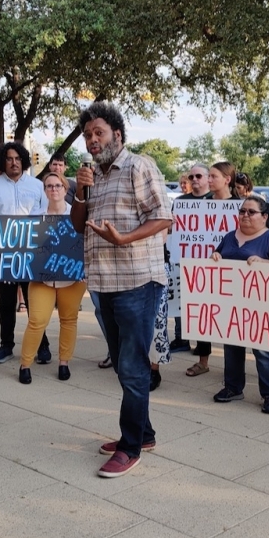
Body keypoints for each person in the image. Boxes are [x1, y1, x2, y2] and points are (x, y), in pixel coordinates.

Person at [72, 101, 172, 478]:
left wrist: (125, 237)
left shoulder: (138, 165)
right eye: (87, 136)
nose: (92, 141)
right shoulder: (91, 175)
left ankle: (130, 448)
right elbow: (78, 225)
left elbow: (163, 216)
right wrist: (80, 192)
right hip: (102, 283)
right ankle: (143, 433)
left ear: (117, 134)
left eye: (98, 133)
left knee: (131, 368)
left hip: (137, 282)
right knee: (121, 363)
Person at [210, 195, 269, 414]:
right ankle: (233, 387)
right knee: (232, 348)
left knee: (263, 352)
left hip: (259, 305)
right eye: (242, 211)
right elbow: (218, 255)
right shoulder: (229, 237)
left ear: (264, 216)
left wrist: (265, 263)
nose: (245, 215)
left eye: (251, 212)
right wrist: (216, 256)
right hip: (231, 303)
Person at [0, 141, 50, 364]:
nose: (14, 162)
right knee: (6, 303)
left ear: (24, 160)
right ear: (2, 161)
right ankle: (6, 346)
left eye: (18, 158)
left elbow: (48, 217)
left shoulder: (37, 186)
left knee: (35, 302)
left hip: (33, 253)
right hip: (4, 254)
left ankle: (42, 346)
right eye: (9, 158)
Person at [18, 171, 85, 384]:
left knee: (68, 320)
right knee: (37, 320)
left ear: (66, 189)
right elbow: (26, 248)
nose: (53, 189)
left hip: (72, 277)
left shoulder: (78, 215)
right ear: (44, 190)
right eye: (49, 186)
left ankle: (64, 362)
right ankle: (25, 364)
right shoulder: (35, 216)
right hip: (42, 279)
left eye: (58, 185)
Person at [184, 161, 239, 378]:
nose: (208, 180)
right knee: (204, 313)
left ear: (227, 180)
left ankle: (233, 364)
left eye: (213, 176)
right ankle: (203, 361)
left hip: (230, 268)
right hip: (204, 267)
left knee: (230, 314)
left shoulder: (239, 206)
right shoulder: (200, 203)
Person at [167, 163, 211, 355]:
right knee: (180, 299)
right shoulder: (180, 201)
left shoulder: (217, 201)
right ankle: (181, 337)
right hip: (183, 260)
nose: (194, 180)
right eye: (191, 177)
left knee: (205, 306)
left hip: (209, 262)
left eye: (198, 176)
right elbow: (172, 231)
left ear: (208, 178)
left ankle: (203, 345)